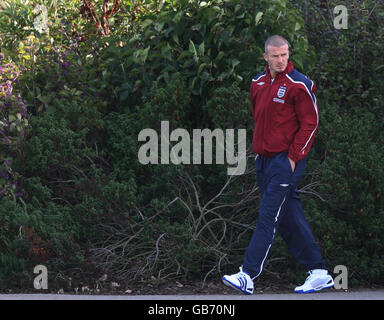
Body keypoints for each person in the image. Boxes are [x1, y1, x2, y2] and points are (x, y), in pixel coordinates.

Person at [222, 35, 334, 294]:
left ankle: (247, 275)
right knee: (287, 217)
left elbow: (311, 123)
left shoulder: (300, 84)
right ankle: (319, 272)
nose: (281, 60)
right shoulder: (257, 83)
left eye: (284, 54)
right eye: (275, 56)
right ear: (266, 57)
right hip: (263, 161)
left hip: (286, 162)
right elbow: (259, 118)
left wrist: (294, 157)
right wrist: (259, 155)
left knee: (268, 215)